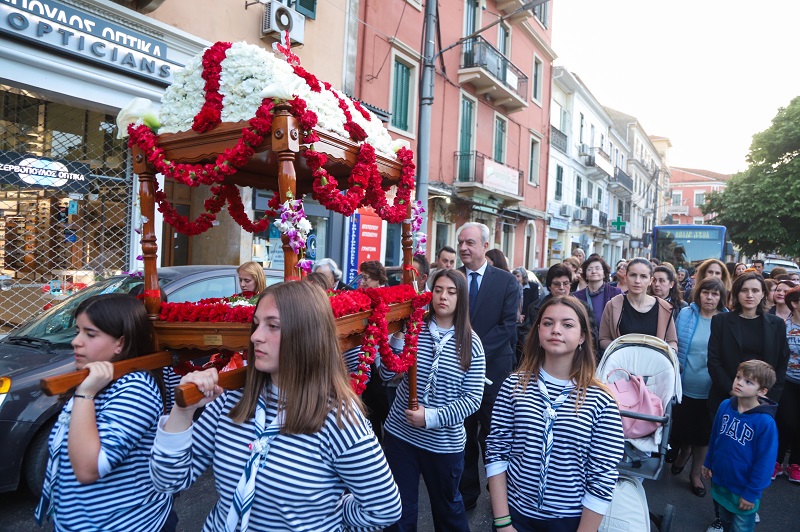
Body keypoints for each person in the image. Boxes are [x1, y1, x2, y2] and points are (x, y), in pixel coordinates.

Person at [150, 281, 402, 531]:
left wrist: (329, 517)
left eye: (273, 326)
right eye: (257, 324)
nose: (255, 336)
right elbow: (169, 481)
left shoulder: (339, 419)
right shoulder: (231, 397)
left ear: (306, 336)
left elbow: (383, 508)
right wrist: (182, 413)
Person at [35, 294, 173, 531]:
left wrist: (85, 394)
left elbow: (89, 469)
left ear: (120, 342)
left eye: (90, 334)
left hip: (123, 524)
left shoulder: (136, 388)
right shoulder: (98, 378)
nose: (76, 342)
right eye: (77, 331)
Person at [485, 296, 625, 531]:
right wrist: (503, 522)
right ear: (538, 331)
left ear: (582, 336)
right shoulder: (513, 386)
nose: (556, 330)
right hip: (515, 516)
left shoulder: (601, 399)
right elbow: (497, 452)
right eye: (548, 323)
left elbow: (602, 476)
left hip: (569, 521)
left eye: (567, 325)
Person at [381, 269, 486, 531]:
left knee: (448, 509)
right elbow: (386, 374)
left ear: (461, 298)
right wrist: (397, 336)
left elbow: (473, 399)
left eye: (451, 292)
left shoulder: (471, 343)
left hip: (443, 443)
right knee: (399, 510)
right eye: (438, 290)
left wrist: (430, 417)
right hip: (401, 437)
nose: (443, 297)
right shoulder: (415, 328)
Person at [455, 222, 519, 510]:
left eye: (470, 242)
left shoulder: (507, 282)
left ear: (484, 245)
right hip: (456, 371)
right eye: (460, 243)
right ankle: (467, 495)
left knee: (494, 438)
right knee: (463, 436)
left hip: (494, 371)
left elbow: (507, 327)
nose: (464, 248)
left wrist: (472, 353)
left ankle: (501, 502)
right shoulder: (452, 280)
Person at [703, 360, 778, 532]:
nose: (739, 383)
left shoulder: (765, 423)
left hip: (744, 490)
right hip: (721, 482)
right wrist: (708, 462)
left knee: (741, 528)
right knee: (725, 521)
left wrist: (752, 493)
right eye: (738, 377)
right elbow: (715, 437)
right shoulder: (725, 406)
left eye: (748, 382)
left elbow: (765, 463)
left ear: (762, 391)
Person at [672, 277, 728, 498]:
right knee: (684, 429)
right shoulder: (686, 313)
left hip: (711, 388)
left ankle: (695, 475)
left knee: (704, 436)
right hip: (685, 384)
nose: (710, 298)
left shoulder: (725, 319)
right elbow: (674, 344)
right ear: (699, 293)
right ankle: (682, 454)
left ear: (721, 297)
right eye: (706, 293)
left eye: (715, 294)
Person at [599, 258, 678, 351]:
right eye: (633, 275)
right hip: (621, 362)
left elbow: (672, 341)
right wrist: (621, 350)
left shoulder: (664, 308)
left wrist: (668, 352)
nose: (637, 281)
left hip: (653, 363)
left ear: (650, 280)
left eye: (643, 276)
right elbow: (603, 339)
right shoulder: (613, 305)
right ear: (626, 277)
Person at [528, 264, 599, 356]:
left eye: (565, 284)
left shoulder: (583, 308)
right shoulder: (535, 307)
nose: (561, 287)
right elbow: (527, 336)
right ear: (549, 286)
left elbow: (592, 337)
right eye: (557, 284)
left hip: (576, 358)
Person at [775, 286, 800, 483]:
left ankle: (795, 464)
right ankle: (776, 461)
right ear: (794, 303)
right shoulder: (784, 326)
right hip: (788, 381)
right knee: (786, 421)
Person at [573, 256, 622, 334]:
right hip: (586, 339)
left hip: (609, 339)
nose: (594, 271)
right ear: (585, 274)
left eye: (597, 268)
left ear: (604, 273)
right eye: (589, 269)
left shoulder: (616, 293)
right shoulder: (576, 297)